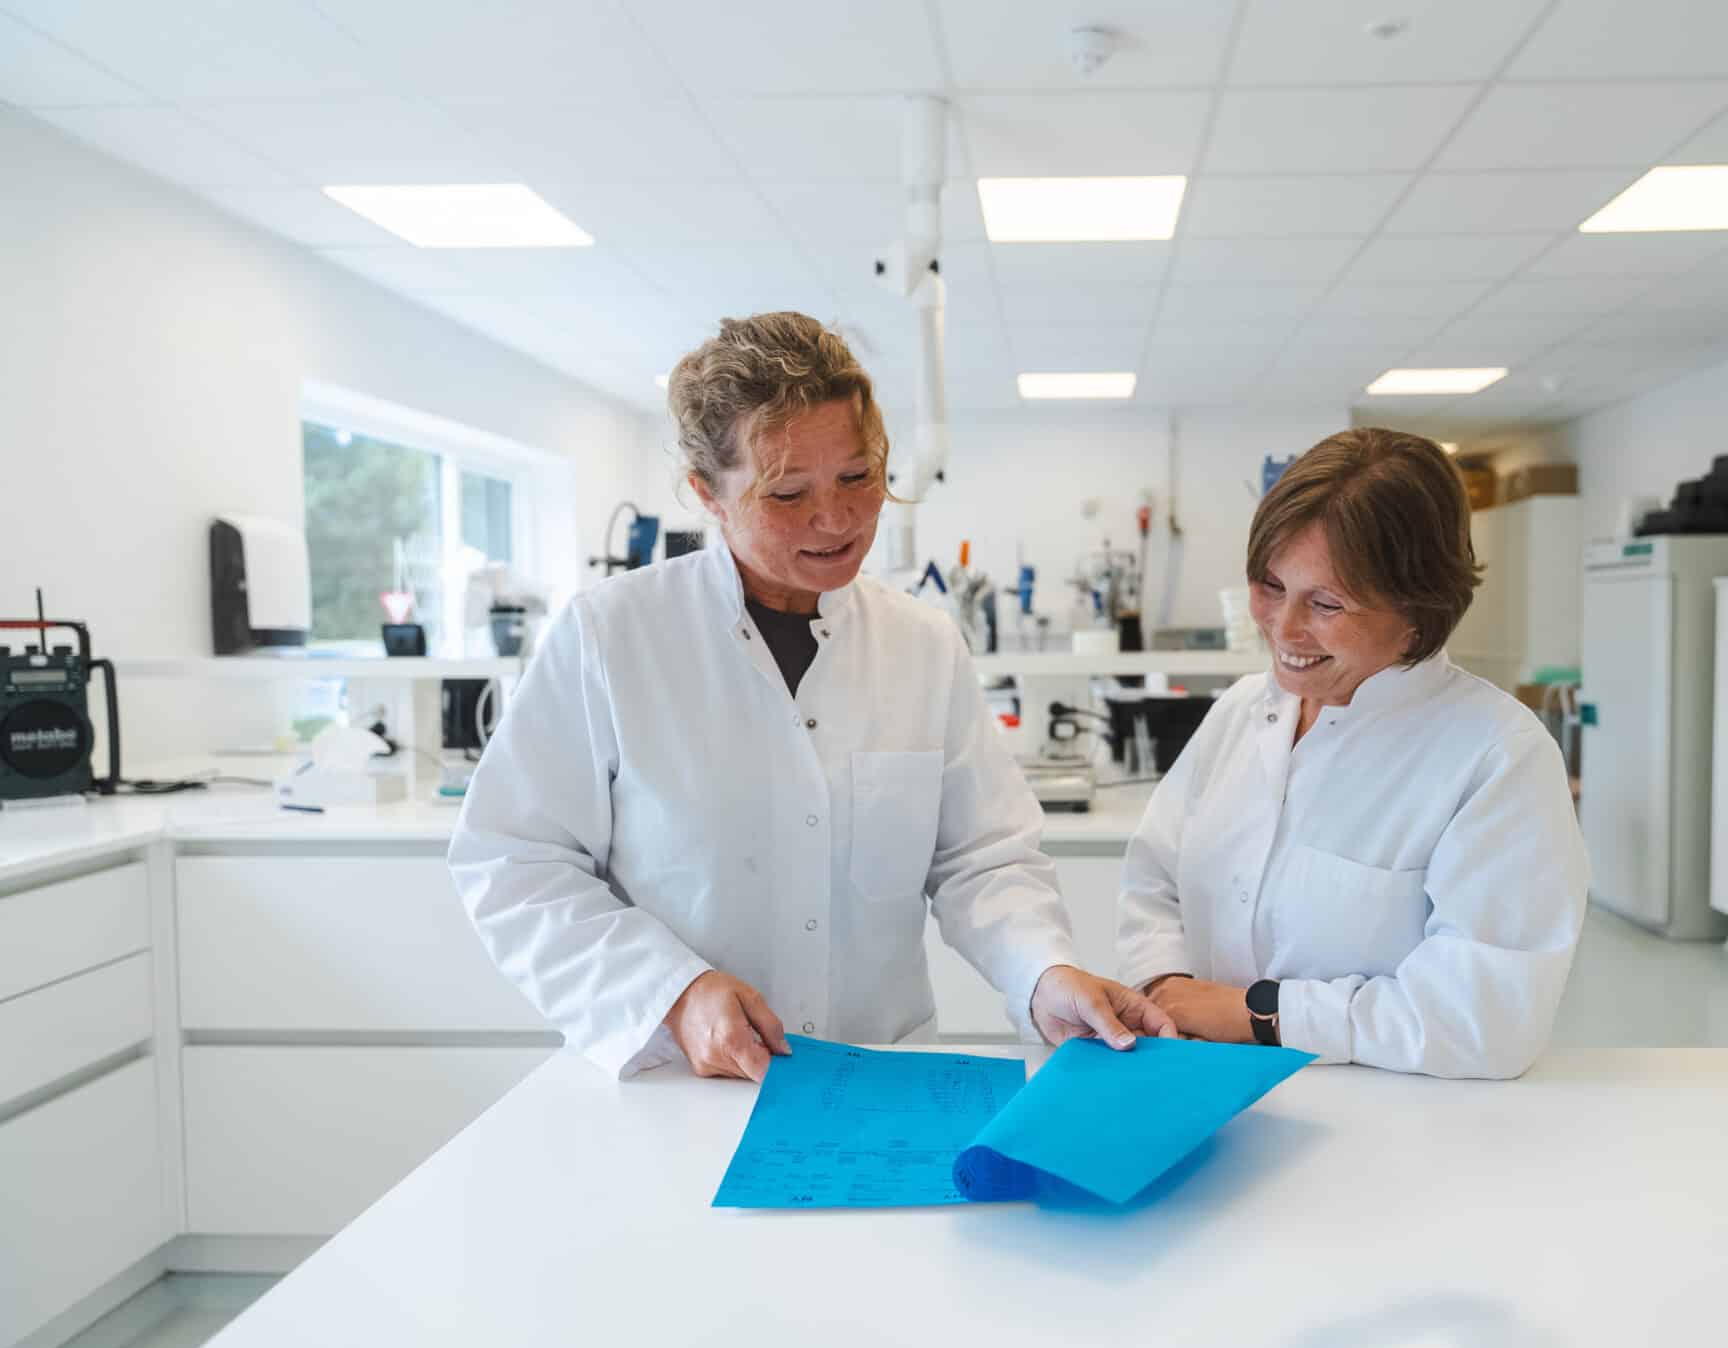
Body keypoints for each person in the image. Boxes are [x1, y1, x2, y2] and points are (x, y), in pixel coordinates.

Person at [451, 312, 1171, 1082]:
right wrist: (672, 994)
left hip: (877, 1075)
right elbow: (515, 860)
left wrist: (1043, 974)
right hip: (683, 1081)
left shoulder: (922, 643)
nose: (837, 519)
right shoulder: (612, 636)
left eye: (858, 477)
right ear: (708, 494)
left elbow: (982, 858)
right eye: (788, 493)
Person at [1118, 427, 1587, 1078]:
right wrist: (1166, 986)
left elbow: (1485, 1018)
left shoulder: (1498, 756)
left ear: (1418, 613)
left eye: (1326, 603)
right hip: (1199, 1081)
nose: (1283, 628)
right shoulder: (1241, 712)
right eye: (1270, 585)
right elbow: (1154, 878)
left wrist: (1258, 1015)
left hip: (1390, 1110)